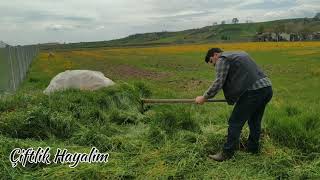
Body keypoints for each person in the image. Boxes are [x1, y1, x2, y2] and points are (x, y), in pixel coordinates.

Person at [195, 48, 273, 162]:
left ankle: (227, 153)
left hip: (253, 91)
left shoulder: (222, 59)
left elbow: (219, 82)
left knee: (235, 122)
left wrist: (204, 97)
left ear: (215, 55)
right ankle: (253, 150)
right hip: (266, 88)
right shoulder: (240, 53)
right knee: (254, 121)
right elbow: (244, 75)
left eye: (212, 61)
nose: (214, 65)